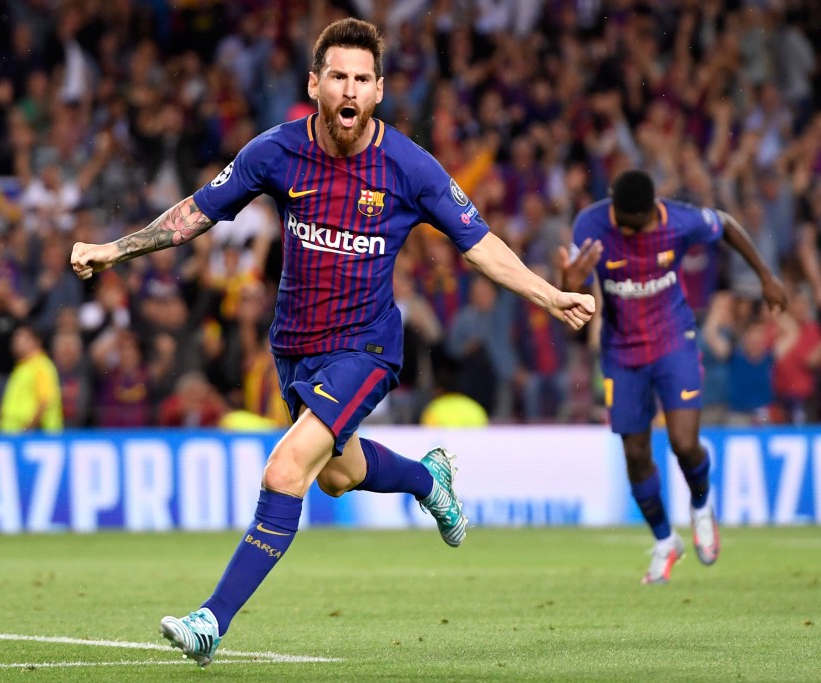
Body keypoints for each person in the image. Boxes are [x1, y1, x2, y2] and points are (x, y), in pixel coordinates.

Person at [72, 18, 595, 667]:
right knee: (339, 476)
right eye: (339, 76)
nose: (350, 89)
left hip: (367, 349)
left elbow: (479, 245)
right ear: (316, 84)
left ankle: (211, 619)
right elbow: (195, 213)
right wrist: (112, 250)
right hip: (294, 348)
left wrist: (550, 294)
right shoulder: (276, 151)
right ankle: (429, 477)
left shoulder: (410, 167)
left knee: (285, 470)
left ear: (377, 91)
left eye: (363, 78)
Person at [560, 169, 786, 584]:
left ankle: (701, 506)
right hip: (621, 351)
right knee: (635, 453)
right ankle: (666, 541)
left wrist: (766, 276)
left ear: (652, 211)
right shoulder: (589, 225)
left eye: (634, 223)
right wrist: (568, 284)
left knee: (684, 443)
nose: (626, 230)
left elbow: (728, 226)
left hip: (672, 342)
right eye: (620, 221)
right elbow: (572, 308)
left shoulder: (681, 221)